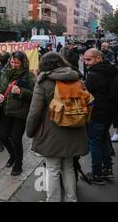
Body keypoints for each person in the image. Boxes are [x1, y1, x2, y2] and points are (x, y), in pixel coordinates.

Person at [26, 53, 88, 202]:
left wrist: (30, 131)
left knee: (52, 169)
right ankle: (71, 199)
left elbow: (35, 112)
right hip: (75, 130)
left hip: (52, 132)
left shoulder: (44, 83)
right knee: (68, 167)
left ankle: (53, 199)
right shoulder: (76, 79)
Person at [0, 51, 36, 176]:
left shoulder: (29, 75)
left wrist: (21, 91)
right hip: (6, 110)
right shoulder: (5, 72)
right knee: (2, 136)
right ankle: (12, 156)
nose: (13, 65)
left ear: (23, 63)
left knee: (16, 139)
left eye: (17, 63)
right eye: (12, 62)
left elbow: (35, 94)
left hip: (20, 113)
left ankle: (18, 164)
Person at [83, 48, 116, 184]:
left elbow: (85, 92)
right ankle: (107, 169)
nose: (86, 63)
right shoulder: (112, 70)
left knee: (95, 143)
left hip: (97, 113)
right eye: (84, 60)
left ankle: (96, 174)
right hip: (110, 113)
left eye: (88, 60)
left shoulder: (95, 74)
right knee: (104, 140)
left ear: (98, 58)